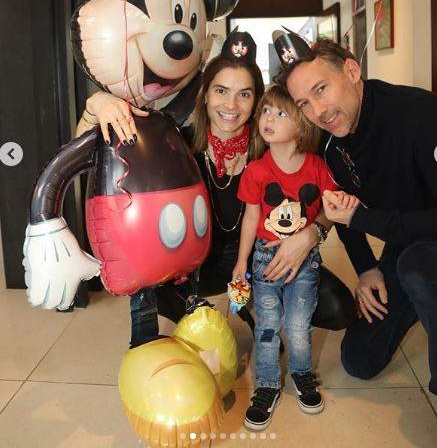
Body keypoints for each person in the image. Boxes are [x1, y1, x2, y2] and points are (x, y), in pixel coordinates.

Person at [78, 31, 355, 347]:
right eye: (221, 91)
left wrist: (310, 235)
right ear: (205, 95)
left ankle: (260, 305)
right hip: (194, 266)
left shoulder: (276, 144)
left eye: (244, 94)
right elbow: (86, 153)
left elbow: (329, 198)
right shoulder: (175, 143)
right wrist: (96, 105)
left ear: (256, 101)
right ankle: (205, 318)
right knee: (159, 291)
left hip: (260, 257)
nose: (231, 105)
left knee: (338, 308)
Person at [277, 33, 437, 396]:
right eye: (304, 103)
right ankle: (420, 296)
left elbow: (355, 218)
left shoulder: (420, 114)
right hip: (407, 244)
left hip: (422, 248)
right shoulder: (328, 141)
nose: (318, 112)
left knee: (417, 267)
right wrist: (366, 268)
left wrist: (363, 220)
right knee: (359, 359)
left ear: (351, 71)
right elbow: (340, 206)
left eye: (321, 89)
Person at [233, 84, 357, 430]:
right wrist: (242, 262)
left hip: (305, 263)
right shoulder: (256, 171)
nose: (268, 119)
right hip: (264, 261)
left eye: (280, 113)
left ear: (302, 124)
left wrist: (344, 202)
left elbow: (332, 206)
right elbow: (251, 218)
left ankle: (301, 373)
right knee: (268, 326)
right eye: (265, 111)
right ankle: (267, 385)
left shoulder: (318, 167)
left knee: (298, 325)